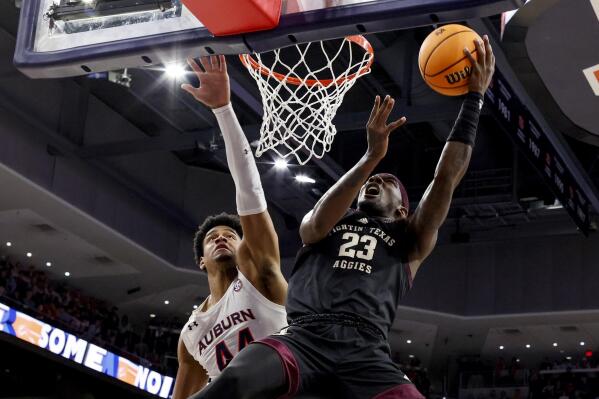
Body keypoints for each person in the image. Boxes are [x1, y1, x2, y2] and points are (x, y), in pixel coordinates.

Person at [190, 36, 495, 399]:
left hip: (366, 350)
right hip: (304, 338)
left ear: (402, 209)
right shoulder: (330, 223)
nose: (376, 181)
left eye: (386, 183)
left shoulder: (410, 238)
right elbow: (314, 223)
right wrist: (370, 159)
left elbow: (445, 178)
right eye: (374, 179)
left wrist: (473, 100)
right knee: (235, 382)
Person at [171, 55, 288, 398]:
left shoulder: (259, 274)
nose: (222, 238)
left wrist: (223, 110)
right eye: (212, 237)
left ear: (244, 247)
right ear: (201, 261)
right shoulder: (191, 333)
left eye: (230, 235)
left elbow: (249, 190)